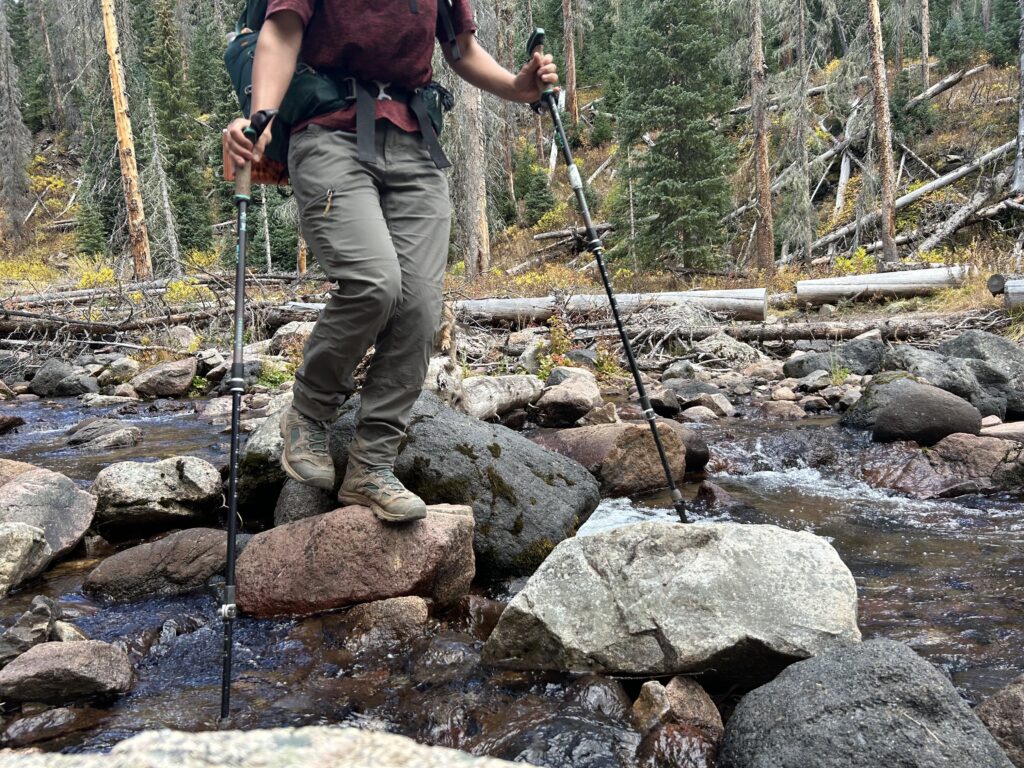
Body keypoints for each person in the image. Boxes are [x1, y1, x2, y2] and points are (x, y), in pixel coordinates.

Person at [225, 1, 557, 523]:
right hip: (329, 131)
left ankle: (370, 468)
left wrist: (519, 88)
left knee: (421, 309)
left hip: (414, 140)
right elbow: (281, 33)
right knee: (373, 282)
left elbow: (461, 48)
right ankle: (307, 416)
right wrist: (261, 118)